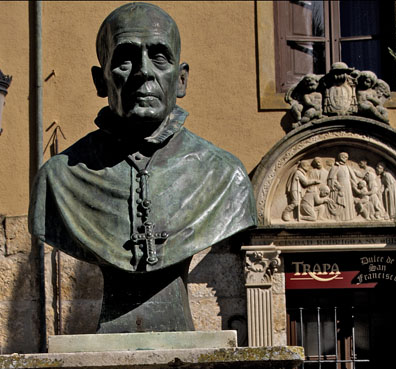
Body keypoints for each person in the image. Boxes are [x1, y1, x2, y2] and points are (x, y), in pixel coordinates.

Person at [29, 2, 257, 332]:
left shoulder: (225, 177)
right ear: (100, 80)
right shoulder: (59, 179)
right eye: (125, 58)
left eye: (159, 56)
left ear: (181, 79)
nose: (143, 72)